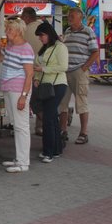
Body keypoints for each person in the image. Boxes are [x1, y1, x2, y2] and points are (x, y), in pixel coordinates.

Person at [0, 18, 34, 173]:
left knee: (21, 125)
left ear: (18, 31)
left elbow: (29, 74)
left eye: (10, 29)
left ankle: (23, 163)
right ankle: (19, 159)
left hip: (18, 89)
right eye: (7, 29)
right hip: (9, 88)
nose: (6, 32)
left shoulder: (26, 48)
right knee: (16, 124)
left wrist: (24, 96)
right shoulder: (8, 45)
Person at [59, 7, 99, 145]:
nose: (69, 18)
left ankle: (83, 133)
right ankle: (63, 131)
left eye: (72, 16)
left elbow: (95, 52)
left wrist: (84, 68)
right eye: (68, 15)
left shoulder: (88, 31)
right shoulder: (67, 31)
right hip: (65, 71)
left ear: (80, 18)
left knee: (81, 102)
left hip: (79, 71)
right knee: (62, 103)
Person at [33, 22, 68, 163]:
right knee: (52, 118)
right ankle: (56, 149)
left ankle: (48, 152)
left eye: (41, 35)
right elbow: (37, 65)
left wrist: (43, 69)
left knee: (48, 118)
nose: (40, 38)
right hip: (45, 86)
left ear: (48, 34)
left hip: (57, 85)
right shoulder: (44, 48)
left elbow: (63, 67)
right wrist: (37, 78)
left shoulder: (60, 47)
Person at [20, 7, 44, 136]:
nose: (21, 19)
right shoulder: (43, 26)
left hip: (31, 71)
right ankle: (40, 126)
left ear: (27, 17)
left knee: (34, 100)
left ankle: (45, 123)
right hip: (44, 70)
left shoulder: (25, 30)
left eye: (22, 17)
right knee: (41, 99)